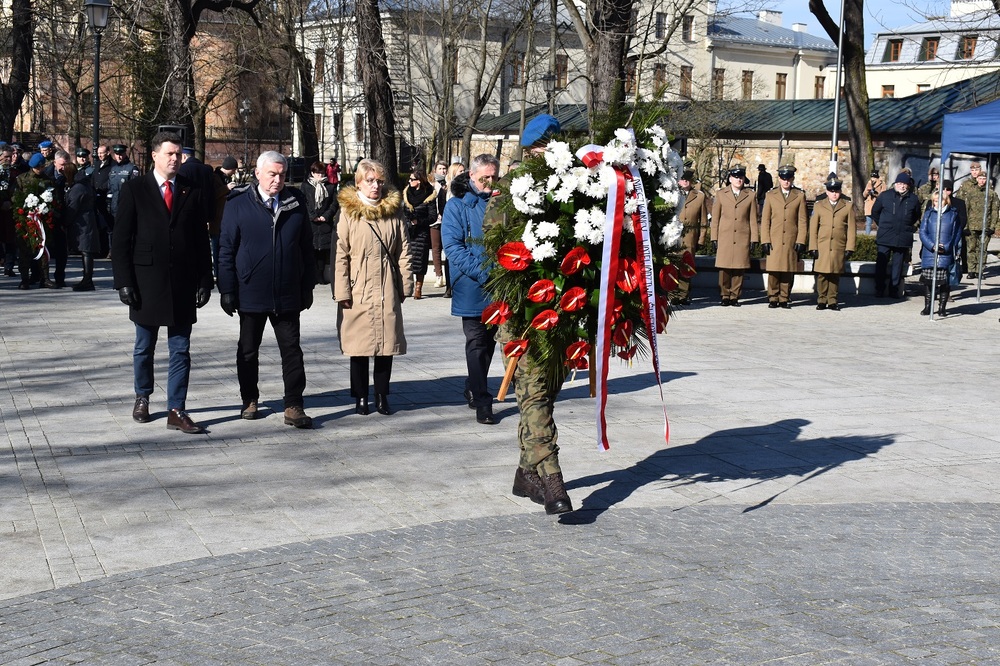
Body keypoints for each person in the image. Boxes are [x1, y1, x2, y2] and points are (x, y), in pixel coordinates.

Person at [491, 112, 573, 515]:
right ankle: (555, 483)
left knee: (540, 398)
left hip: (561, 316)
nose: (548, 156)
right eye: (543, 149)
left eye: (554, 148)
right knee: (535, 395)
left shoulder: (571, 192)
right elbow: (493, 254)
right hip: (521, 318)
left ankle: (527, 473)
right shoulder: (508, 195)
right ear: (530, 151)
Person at [111, 131, 214, 434]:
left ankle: (176, 409)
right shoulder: (135, 189)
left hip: (182, 283)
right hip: (146, 283)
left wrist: (205, 280)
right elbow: (121, 241)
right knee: (145, 347)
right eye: (170, 153)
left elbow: (199, 240)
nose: (176, 159)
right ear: (154, 155)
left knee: (180, 349)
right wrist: (124, 282)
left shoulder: (190, 190)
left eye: (179, 154)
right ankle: (142, 396)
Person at [218, 151, 316, 428]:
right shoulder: (238, 203)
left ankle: (294, 404)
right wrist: (227, 289)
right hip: (251, 289)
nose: (277, 180)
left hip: (286, 291)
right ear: (258, 174)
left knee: (292, 350)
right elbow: (226, 249)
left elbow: (305, 247)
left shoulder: (295, 202)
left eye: (282, 175)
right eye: (272, 174)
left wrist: (307, 284)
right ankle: (249, 399)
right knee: (248, 350)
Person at [333, 158, 412, 416]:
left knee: (385, 346)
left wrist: (405, 284)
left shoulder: (394, 212)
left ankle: (382, 396)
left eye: (379, 181)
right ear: (359, 183)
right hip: (358, 288)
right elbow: (341, 254)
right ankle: (360, 397)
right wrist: (342, 291)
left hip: (386, 286)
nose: (375, 186)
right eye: (370, 181)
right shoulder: (348, 212)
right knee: (359, 346)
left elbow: (404, 252)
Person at [442, 154, 500, 426]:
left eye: (493, 177)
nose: (489, 183)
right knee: (477, 342)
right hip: (472, 285)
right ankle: (482, 400)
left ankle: (472, 384)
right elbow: (453, 247)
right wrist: (485, 272)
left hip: (500, 286)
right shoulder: (457, 205)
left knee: (489, 343)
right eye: (483, 178)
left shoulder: (501, 203)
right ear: (472, 176)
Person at [710, 165, 759, 306]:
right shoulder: (721, 194)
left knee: (739, 268)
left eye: (741, 177)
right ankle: (725, 295)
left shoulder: (750, 195)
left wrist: (754, 238)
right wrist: (714, 237)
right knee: (724, 268)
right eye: (736, 177)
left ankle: (735, 295)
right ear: (730, 178)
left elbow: (753, 219)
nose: (739, 180)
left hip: (742, 236)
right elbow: (715, 218)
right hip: (725, 236)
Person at [760, 164, 807, 309]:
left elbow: (803, 220)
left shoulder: (799, 196)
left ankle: (784, 297)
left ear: (792, 179)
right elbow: (765, 220)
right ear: (779, 179)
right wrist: (765, 240)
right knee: (773, 270)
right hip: (774, 239)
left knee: (787, 270)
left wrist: (801, 240)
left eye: (789, 178)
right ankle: (773, 297)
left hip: (790, 239)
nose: (786, 181)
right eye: (783, 178)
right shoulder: (770, 195)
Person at [808, 177, 856, 310]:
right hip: (822, 246)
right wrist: (813, 246)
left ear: (840, 191)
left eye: (836, 191)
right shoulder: (819, 205)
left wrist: (850, 247)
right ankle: (821, 300)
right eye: (831, 191)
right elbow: (813, 228)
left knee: (835, 274)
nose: (834, 194)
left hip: (838, 246)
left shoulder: (847, 206)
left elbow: (852, 229)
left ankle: (833, 300)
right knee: (822, 275)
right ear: (827, 192)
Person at [872, 172, 921, 298]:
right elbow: (875, 212)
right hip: (885, 235)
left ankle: (894, 289)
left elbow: (916, 215)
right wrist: (883, 224)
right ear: (895, 184)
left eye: (904, 184)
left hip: (902, 236)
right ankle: (879, 288)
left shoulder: (913, 199)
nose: (902, 186)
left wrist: (908, 227)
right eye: (899, 183)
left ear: (908, 186)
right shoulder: (885, 196)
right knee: (881, 263)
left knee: (898, 265)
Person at [919, 187, 964, 317]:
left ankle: (942, 307)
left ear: (945, 200)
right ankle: (928, 306)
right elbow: (922, 232)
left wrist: (948, 246)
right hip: (930, 252)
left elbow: (956, 234)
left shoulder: (953, 214)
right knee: (928, 281)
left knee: (945, 282)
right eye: (934, 201)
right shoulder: (928, 214)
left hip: (946, 252)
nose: (936, 203)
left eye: (939, 200)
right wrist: (932, 245)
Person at [673, 169, 707, 305]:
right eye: (682, 179)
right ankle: (673, 294)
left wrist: (701, 239)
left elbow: (703, 220)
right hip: (674, 236)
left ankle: (684, 294)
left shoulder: (699, 196)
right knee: (673, 265)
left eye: (687, 179)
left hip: (690, 237)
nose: (685, 181)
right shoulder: (673, 194)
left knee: (687, 266)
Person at [301, 161, 338, 285]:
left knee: (322, 250)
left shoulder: (330, 187)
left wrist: (325, 216)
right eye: (317, 173)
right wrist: (313, 216)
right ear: (312, 173)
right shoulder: (306, 186)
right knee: (311, 249)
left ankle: (320, 275)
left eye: (321, 173)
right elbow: (304, 202)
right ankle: (312, 274)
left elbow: (334, 204)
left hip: (325, 223)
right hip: (311, 223)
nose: (320, 176)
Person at [402, 169, 437, 299]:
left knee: (420, 262)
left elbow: (432, 216)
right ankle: (406, 286)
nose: (409, 182)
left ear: (419, 181)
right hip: (407, 231)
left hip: (421, 233)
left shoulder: (429, 194)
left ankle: (418, 288)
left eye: (412, 179)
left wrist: (419, 221)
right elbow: (402, 211)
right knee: (406, 259)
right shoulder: (406, 193)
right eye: (409, 179)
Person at [66, 163, 101, 291]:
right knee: (86, 250)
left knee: (86, 250)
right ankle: (87, 279)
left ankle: (87, 280)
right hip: (87, 221)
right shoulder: (83, 184)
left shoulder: (78, 188)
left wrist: (65, 222)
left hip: (83, 223)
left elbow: (72, 207)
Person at [959, 166, 998, 279]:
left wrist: (993, 226)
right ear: (977, 179)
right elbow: (965, 209)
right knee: (971, 248)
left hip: (985, 226)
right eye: (980, 178)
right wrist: (965, 225)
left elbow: (994, 210)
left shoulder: (991, 194)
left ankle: (980, 271)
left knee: (982, 250)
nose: (982, 180)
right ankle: (971, 270)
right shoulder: (970, 192)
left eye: (984, 179)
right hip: (971, 225)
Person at [438, 162, 465, 298]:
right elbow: (441, 207)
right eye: (460, 171)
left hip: (463, 224)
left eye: (464, 170)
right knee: (449, 256)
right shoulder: (444, 190)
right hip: (449, 224)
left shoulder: (466, 190)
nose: (463, 173)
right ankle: (449, 286)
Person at [210, 156, 239, 276]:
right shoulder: (215, 178)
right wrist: (227, 188)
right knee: (217, 249)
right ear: (229, 168)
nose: (235, 172)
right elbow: (213, 195)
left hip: (223, 219)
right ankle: (218, 272)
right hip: (217, 220)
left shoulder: (223, 177)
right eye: (234, 169)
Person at [429, 161, 449, 287]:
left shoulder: (449, 184)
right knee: (436, 249)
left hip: (447, 220)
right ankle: (438, 276)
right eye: (440, 168)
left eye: (444, 168)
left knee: (447, 248)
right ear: (435, 170)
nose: (442, 171)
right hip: (435, 221)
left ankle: (448, 276)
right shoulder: (431, 184)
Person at [108, 144, 140, 219]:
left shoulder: (132, 168)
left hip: (126, 204)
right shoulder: (113, 169)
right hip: (114, 205)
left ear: (125, 153)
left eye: (121, 154)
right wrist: (109, 202)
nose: (119, 157)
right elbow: (110, 188)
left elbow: (135, 188)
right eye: (117, 154)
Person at [863, 169, 884, 235]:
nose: (873, 179)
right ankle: (867, 237)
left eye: (874, 177)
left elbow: (884, 194)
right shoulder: (869, 183)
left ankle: (880, 236)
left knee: (878, 223)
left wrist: (875, 194)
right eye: (872, 177)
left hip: (877, 205)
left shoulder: (882, 183)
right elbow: (864, 194)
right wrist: (867, 191)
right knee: (868, 223)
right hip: (869, 205)